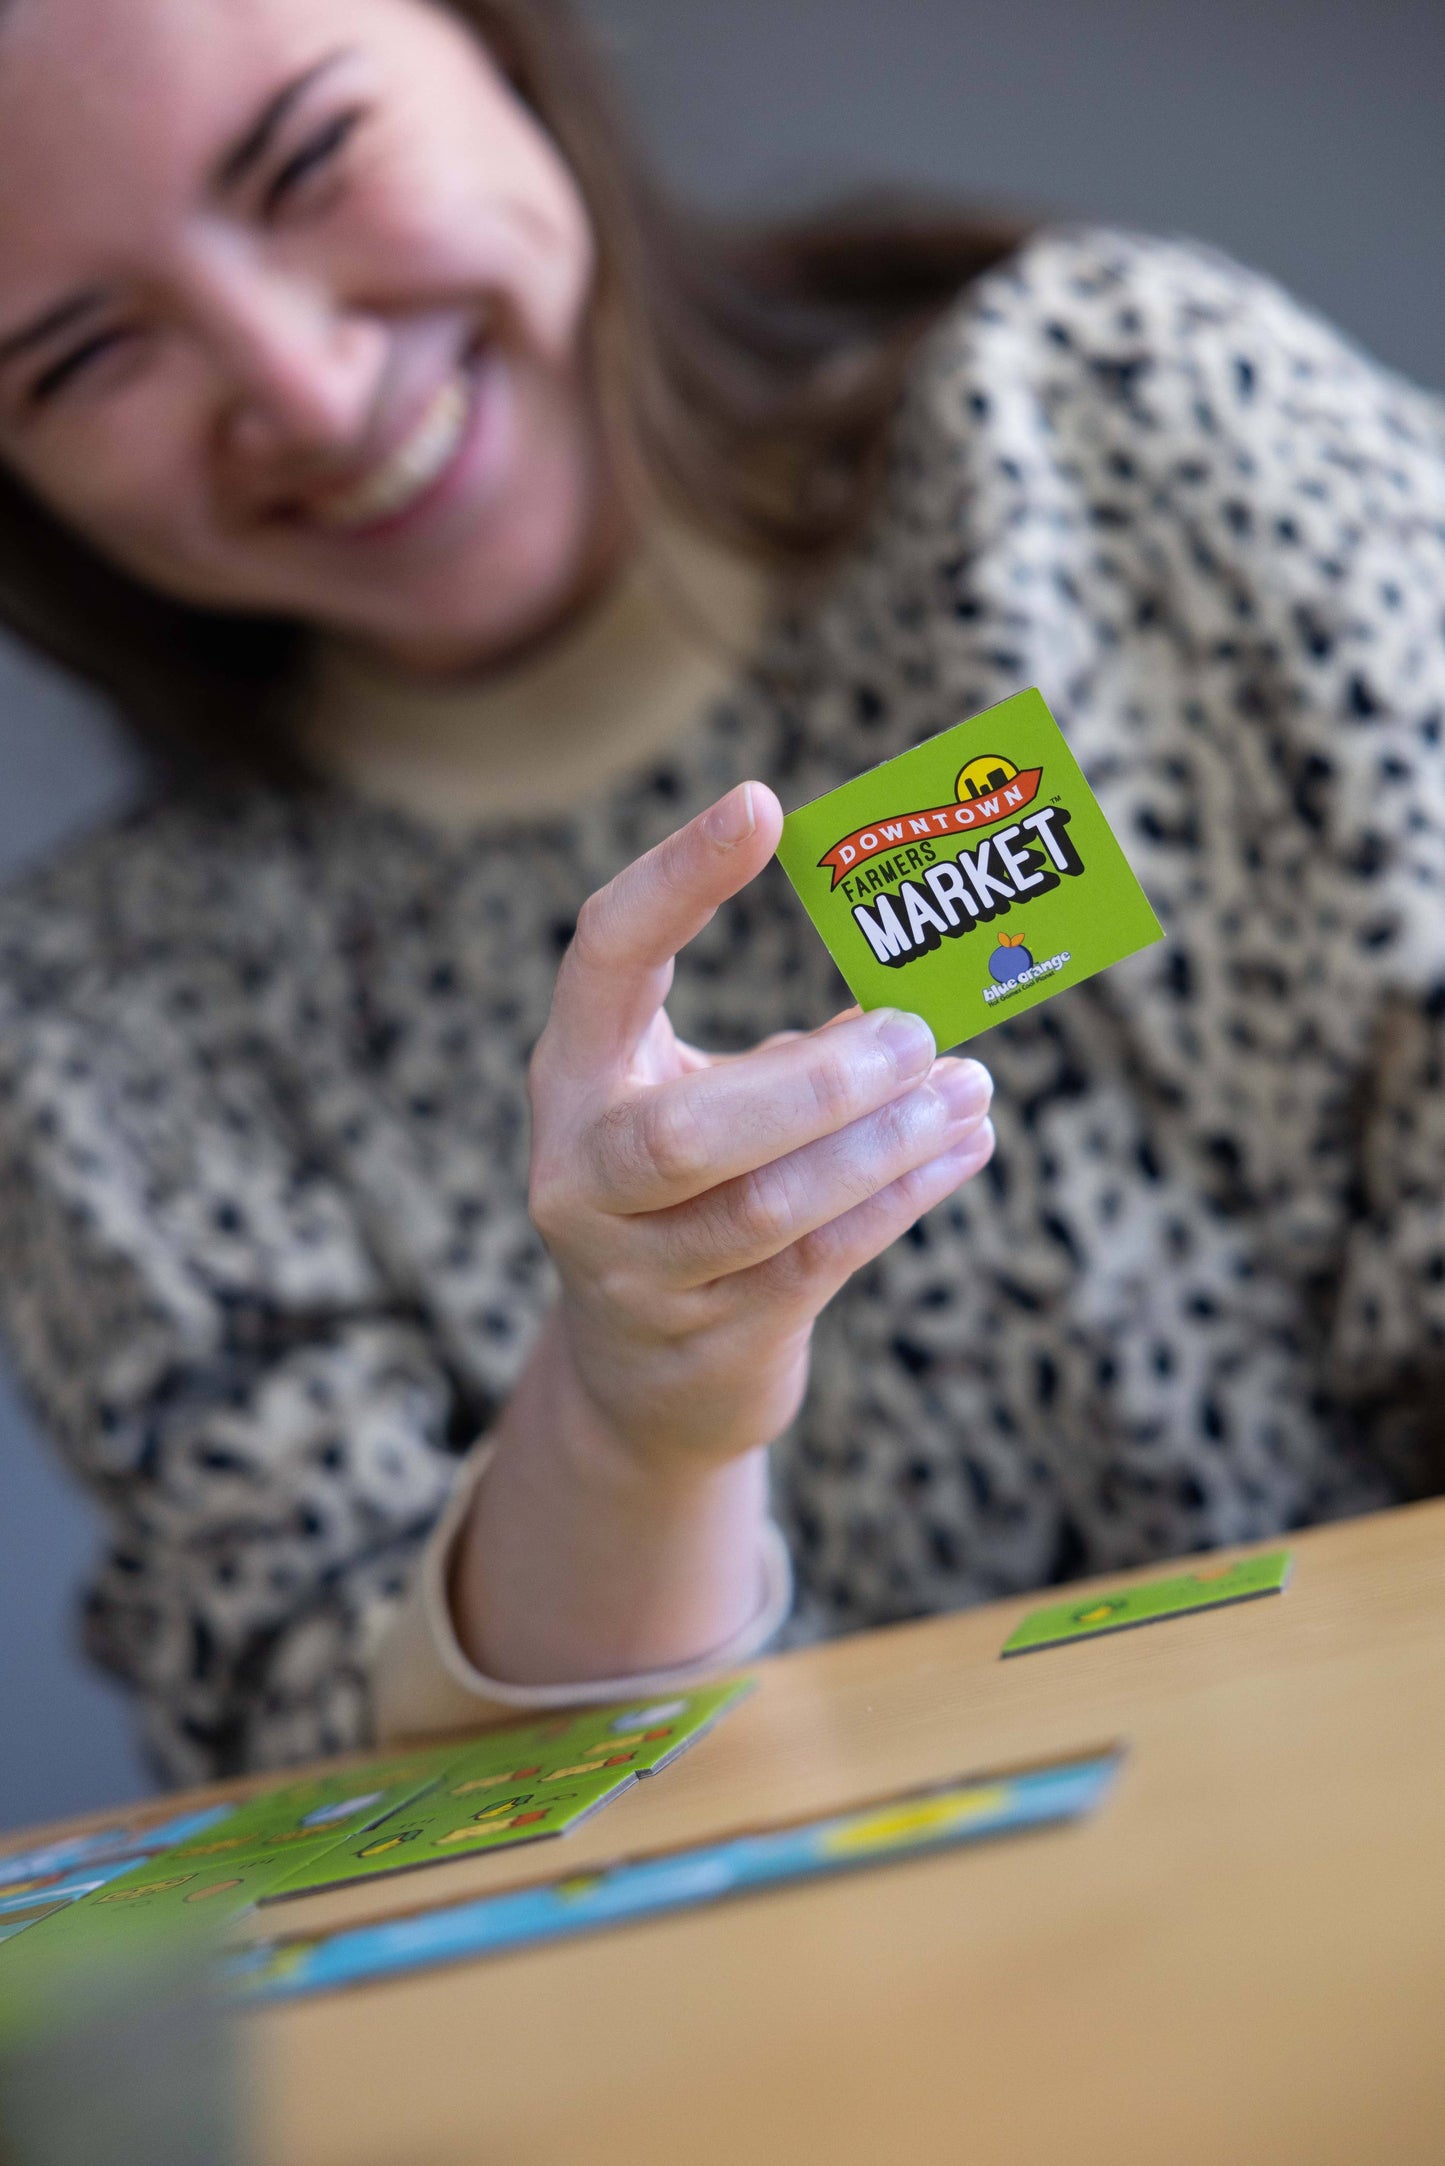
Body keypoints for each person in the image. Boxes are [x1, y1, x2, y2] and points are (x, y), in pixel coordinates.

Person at [0, 0, 1441, 1788]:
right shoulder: (110, 1018)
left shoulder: (1102, 441)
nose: (302, 387)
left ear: (507, 54)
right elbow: (331, 1759)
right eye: (76, 357)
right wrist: (632, 1420)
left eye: (307, 160)